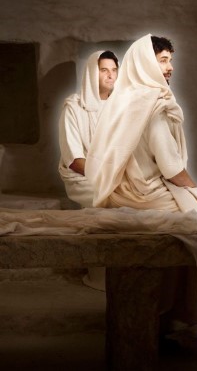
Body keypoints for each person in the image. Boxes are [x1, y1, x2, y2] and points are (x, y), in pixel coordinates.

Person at [86, 34, 197, 348]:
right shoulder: (152, 107)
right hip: (147, 195)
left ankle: (182, 314)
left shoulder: (125, 100)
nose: (170, 67)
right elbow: (172, 168)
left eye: (170, 60)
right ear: (146, 64)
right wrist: (196, 190)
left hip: (125, 192)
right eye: (163, 60)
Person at [58, 50, 119, 291]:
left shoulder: (120, 106)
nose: (110, 75)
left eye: (114, 70)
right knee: (110, 200)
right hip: (81, 175)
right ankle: (101, 278)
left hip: (115, 173)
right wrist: (110, 175)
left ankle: (123, 276)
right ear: (92, 73)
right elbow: (74, 160)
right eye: (104, 70)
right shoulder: (74, 107)